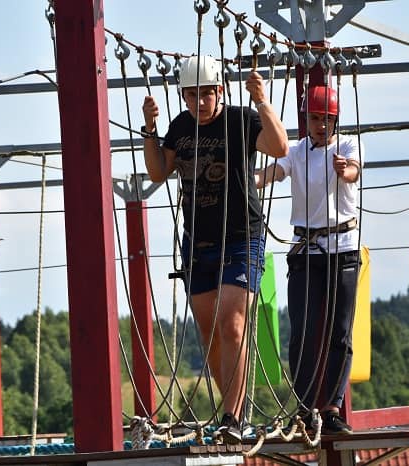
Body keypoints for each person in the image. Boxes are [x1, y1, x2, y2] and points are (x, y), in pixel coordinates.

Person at [141, 55, 288, 443]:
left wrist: (261, 100)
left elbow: (279, 146)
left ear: (219, 91)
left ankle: (233, 417)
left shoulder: (241, 119)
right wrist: (150, 129)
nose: (200, 102)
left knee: (233, 326)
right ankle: (232, 412)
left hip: (242, 237)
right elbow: (158, 171)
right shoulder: (180, 127)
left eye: (207, 94)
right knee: (210, 335)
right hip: (198, 244)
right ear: (184, 96)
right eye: (193, 95)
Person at [255, 85, 363, 435]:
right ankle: (303, 408)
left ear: (336, 121)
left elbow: (353, 172)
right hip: (306, 250)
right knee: (302, 332)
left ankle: (331, 407)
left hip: (342, 248)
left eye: (327, 119)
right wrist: (250, 180)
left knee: (339, 332)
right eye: (315, 119)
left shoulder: (346, 146)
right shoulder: (297, 151)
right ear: (307, 120)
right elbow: (274, 173)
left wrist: (344, 170)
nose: (321, 125)